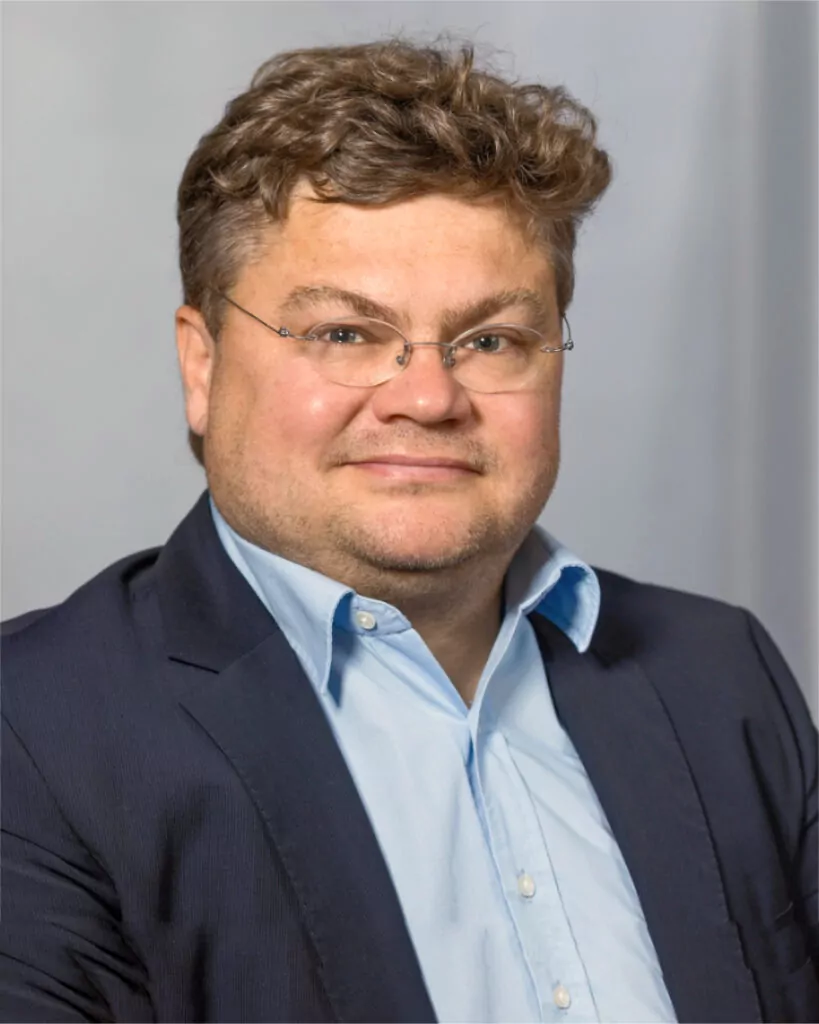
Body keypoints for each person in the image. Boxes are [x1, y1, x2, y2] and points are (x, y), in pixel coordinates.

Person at [1, 38, 816, 1024]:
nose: (427, 396)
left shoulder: (720, 676)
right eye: (346, 333)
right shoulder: (35, 733)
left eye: (491, 340)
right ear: (202, 365)